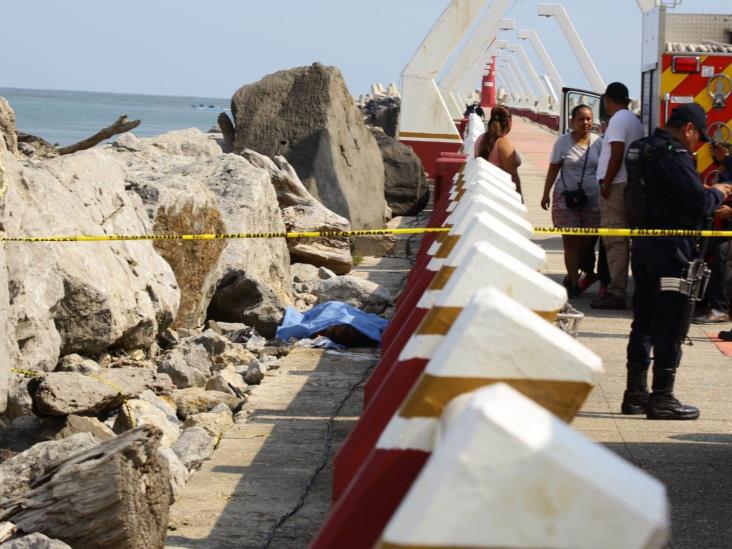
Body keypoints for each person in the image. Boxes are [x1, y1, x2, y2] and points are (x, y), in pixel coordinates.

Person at [623, 103, 732, 420]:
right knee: (671, 323)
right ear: (688, 129)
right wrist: (718, 192)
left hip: (643, 245)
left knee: (643, 320)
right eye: (697, 138)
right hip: (672, 250)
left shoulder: (641, 148)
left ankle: (635, 395)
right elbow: (698, 203)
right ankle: (662, 399)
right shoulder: (673, 154)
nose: (696, 146)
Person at [591, 83, 644, 309]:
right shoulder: (633, 119)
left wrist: (607, 182)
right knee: (623, 239)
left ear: (607, 100)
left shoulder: (617, 120)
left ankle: (616, 292)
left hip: (616, 186)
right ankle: (622, 288)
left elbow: (616, 153)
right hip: (628, 184)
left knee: (614, 240)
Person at [541, 104, 602, 296]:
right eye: (581, 119)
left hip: (592, 200)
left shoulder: (598, 143)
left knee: (588, 240)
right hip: (566, 199)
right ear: (572, 121)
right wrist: (545, 193)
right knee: (570, 242)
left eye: (589, 118)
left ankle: (579, 273)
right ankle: (574, 280)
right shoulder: (563, 143)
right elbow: (553, 168)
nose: (585, 123)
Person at [694, 142, 732, 323]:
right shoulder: (728, 163)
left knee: (722, 252)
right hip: (727, 227)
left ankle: (719, 309)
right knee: (703, 248)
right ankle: (702, 299)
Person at [475, 106, 523, 198]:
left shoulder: (480, 139)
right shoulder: (503, 143)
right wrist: (520, 200)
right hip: (501, 195)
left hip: (484, 191)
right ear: (509, 121)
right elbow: (513, 177)